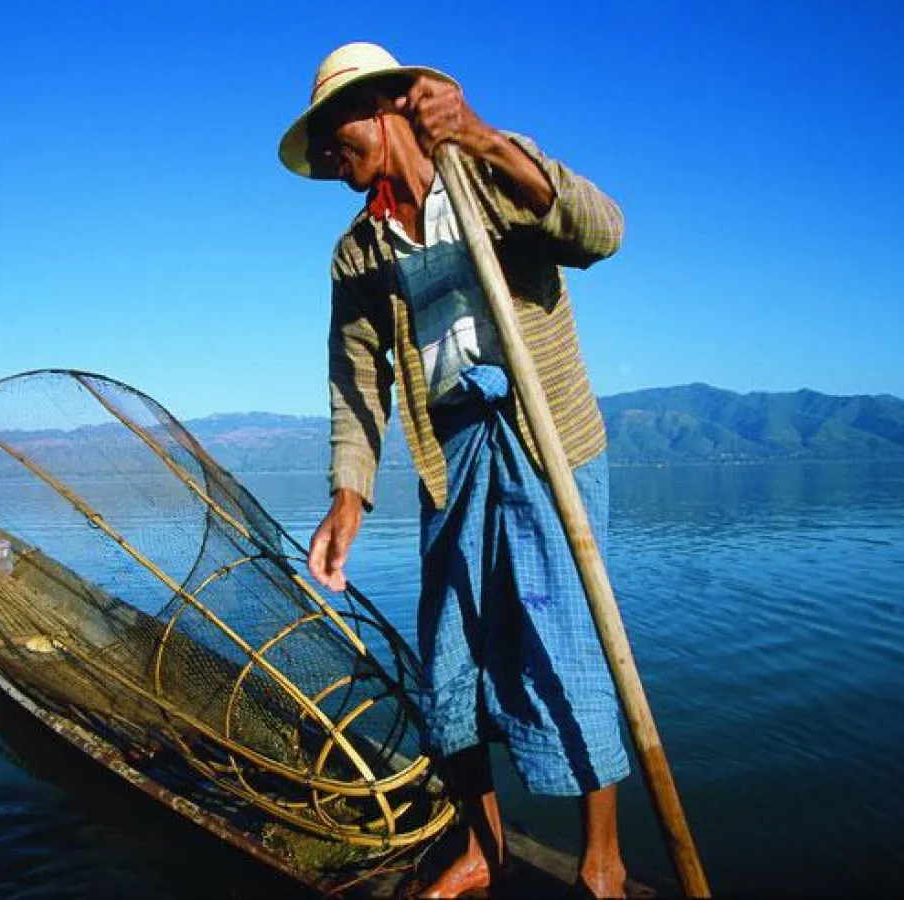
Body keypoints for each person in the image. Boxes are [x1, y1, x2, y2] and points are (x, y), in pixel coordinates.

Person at [279, 42, 630, 898]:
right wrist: (349, 495)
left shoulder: (484, 168)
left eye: (336, 132)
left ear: (391, 106)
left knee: (569, 644)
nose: (330, 157)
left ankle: (603, 861)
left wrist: (478, 135)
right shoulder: (358, 254)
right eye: (321, 144)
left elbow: (601, 230)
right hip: (455, 449)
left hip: (546, 439)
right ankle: (484, 848)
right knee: (454, 648)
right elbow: (357, 377)